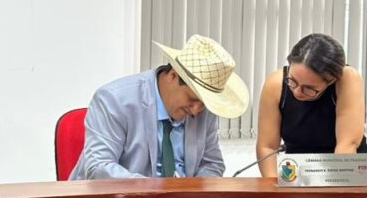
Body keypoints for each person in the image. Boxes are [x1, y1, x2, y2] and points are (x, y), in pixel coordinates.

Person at [70, 35, 249, 180]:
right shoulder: (114, 100)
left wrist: (193, 194)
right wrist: (157, 192)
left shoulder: (204, 109)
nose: (196, 110)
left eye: (203, 104)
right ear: (173, 76)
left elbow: (212, 164)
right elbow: (99, 168)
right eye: (193, 99)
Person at [256, 32, 367, 177]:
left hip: (348, 167)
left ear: (331, 81)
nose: (297, 92)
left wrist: (334, 187)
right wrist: (272, 186)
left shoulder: (347, 79)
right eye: (292, 81)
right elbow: (267, 147)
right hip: (298, 171)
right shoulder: (275, 84)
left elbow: (347, 144)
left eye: (309, 88)